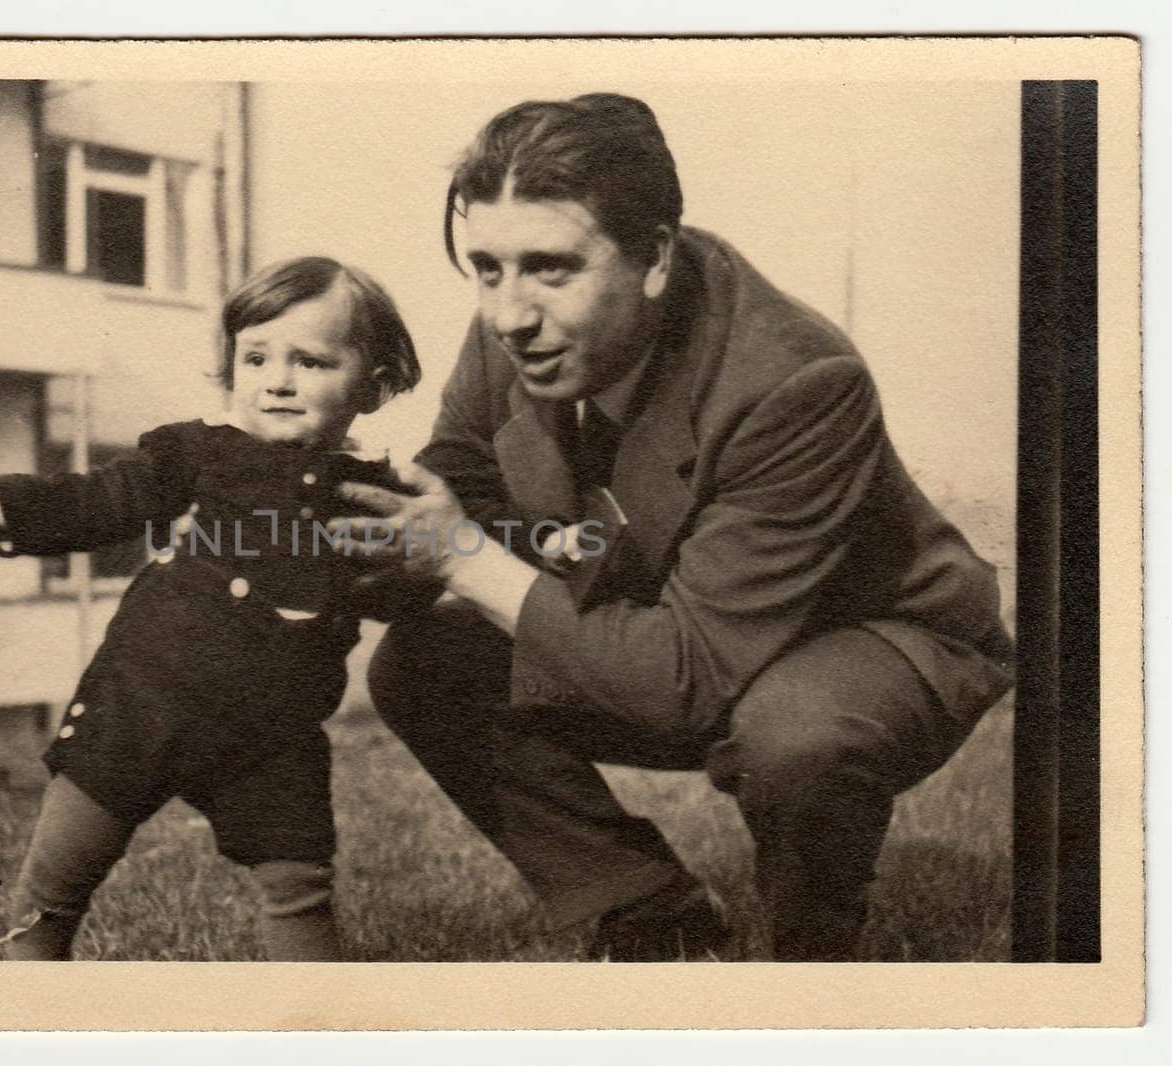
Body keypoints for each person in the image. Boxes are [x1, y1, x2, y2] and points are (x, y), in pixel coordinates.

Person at [334, 94, 1015, 961]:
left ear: (653, 257)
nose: (508, 312)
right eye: (487, 269)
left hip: (863, 634)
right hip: (672, 618)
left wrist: (461, 555)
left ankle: (817, 968)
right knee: (428, 663)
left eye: (550, 268)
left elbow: (682, 678)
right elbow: (467, 483)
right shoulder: (513, 325)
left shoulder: (797, 377)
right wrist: (339, 528)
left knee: (795, 737)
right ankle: (647, 907)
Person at [0, 256, 422, 961]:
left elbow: (401, 586)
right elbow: (102, 499)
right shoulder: (199, 452)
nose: (278, 380)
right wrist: (5, 501)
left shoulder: (375, 494)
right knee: (60, 876)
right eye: (255, 358)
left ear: (372, 388)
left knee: (299, 880)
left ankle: (317, 1013)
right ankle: (27, 987)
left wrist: (424, 570)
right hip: (145, 700)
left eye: (311, 362)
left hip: (274, 730)